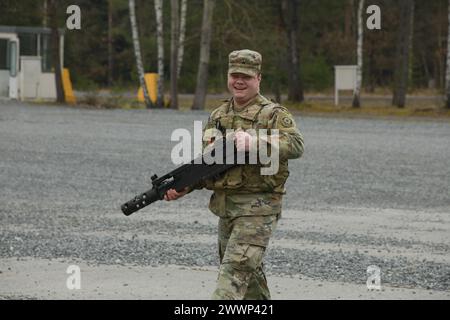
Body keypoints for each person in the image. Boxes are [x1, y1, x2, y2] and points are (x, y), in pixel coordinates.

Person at [164, 49, 304, 300]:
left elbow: (296, 146)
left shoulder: (273, 114)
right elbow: (207, 164)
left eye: (246, 76)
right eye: (234, 75)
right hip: (226, 210)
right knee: (250, 282)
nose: (239, 81)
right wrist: (187, 186)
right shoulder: (218, 115)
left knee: (231, 280)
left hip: (257, 209)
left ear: (258, 78)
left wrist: (256, 141)